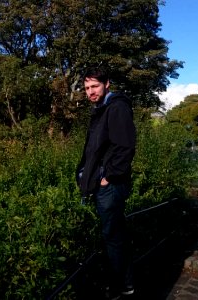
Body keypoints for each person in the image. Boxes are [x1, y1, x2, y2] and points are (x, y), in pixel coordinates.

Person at [76, 70, 136, 297]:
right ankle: (126, 284)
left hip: (110, 186)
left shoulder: (116, 107)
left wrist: (107, 178)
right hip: (104, 185)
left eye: (95, 87)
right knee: (115, 235)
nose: (90, 92)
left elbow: (126, 146)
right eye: (87, 88)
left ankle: (118, 288)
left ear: (107, 84)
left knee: (113, 237)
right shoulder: (102, 110)